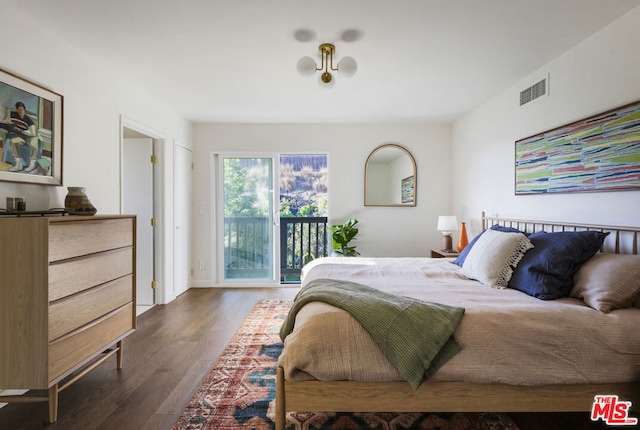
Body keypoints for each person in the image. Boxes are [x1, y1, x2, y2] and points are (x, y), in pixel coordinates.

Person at [1, 101, 38, 172]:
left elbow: (32, 133)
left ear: (24, 110)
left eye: (21, 109)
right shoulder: (13, 114)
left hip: (29, 136)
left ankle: (32, 163)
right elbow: (8, 121)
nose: (20, 111)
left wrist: (22, 131)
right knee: (13, 141)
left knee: (34, 143)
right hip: (18, 135)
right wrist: (7, 123)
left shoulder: (29, 121)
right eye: (18, 109)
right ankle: (19, 164)